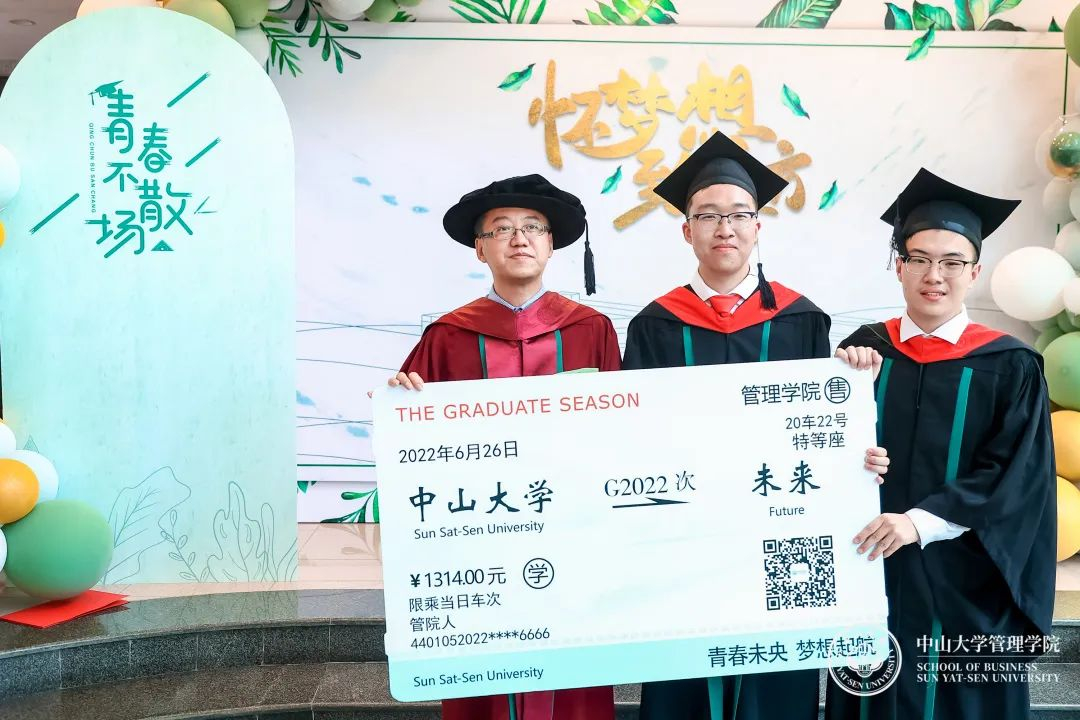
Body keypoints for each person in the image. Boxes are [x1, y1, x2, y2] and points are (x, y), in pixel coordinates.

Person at [626, 130, 889, 720]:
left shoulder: (802, 318)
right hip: (688, 534)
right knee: (687, 673)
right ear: (686, 230)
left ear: (758, 226)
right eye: (708, 215)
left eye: (739, 214)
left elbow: (822, 429)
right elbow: (635, 436)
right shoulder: (654, 324)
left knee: (776, 677)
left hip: (782, 530)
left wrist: (856, 441)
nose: (725, 227)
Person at [825, 169, 1056, 720]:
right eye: (920, 259)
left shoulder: (1010, 365)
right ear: (898, 266)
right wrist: (840, 401)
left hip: (969, 578)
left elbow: (1017, 475)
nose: (935, 275)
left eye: (952, 262)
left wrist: (920, 522)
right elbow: (815, 458)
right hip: (872, 568)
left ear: (974, 272)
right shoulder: (861, 353)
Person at [387, 173, 619, 720]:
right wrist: (399, 402)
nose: (520, 238)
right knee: (485, 678)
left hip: (570, 535)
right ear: (480, 248)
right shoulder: (447, 335)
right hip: (481, 542)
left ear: (551, 244)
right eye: (502, 229)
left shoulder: (591, 329)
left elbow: (619, 435)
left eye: (533, 227)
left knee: (573, 676)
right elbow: (414, 449)